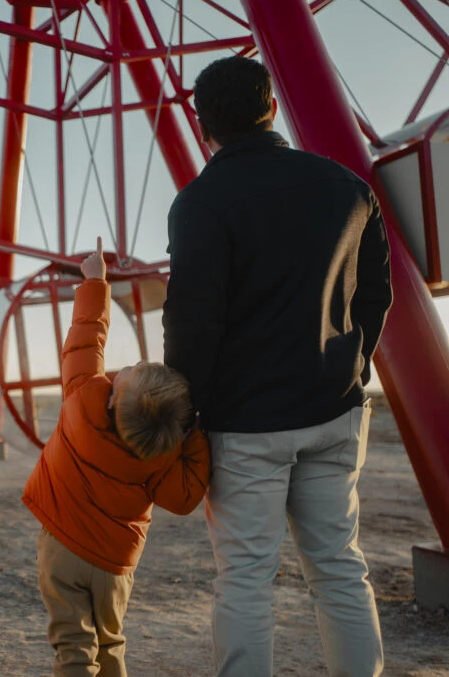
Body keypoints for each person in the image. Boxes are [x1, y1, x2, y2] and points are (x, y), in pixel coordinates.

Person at [163, 56, 393, 677]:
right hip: (335, 408)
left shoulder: (201, 204)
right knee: (340, 567)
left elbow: (192, 323)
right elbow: (374, 294)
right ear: (272, 107)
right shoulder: (346, 188)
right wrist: (353, 363)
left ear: (200, 122)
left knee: (244, 581)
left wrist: (188, 414)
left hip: (245, 423)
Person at [21, 237, 211, 677]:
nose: (119, 369)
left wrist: (95, 282)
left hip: (61, 548)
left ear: (112, 399)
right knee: (111, 642)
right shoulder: (160, 456)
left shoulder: (82, 396)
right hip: (113, 565)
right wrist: (197, 433)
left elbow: (85, 339)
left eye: (125, 373)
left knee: (73, 645)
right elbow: (184, 499)